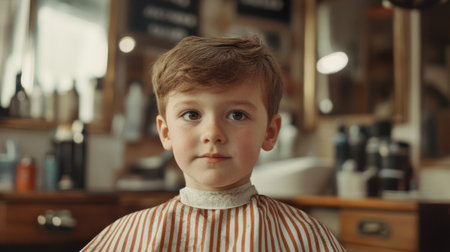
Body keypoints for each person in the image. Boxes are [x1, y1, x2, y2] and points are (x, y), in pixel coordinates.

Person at [82, 36, 345, 252]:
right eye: (192, 115)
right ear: (166, 132)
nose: (213, 133)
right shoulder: (132, 235)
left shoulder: (303, 237)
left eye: (237, 115)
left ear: (270, 132)